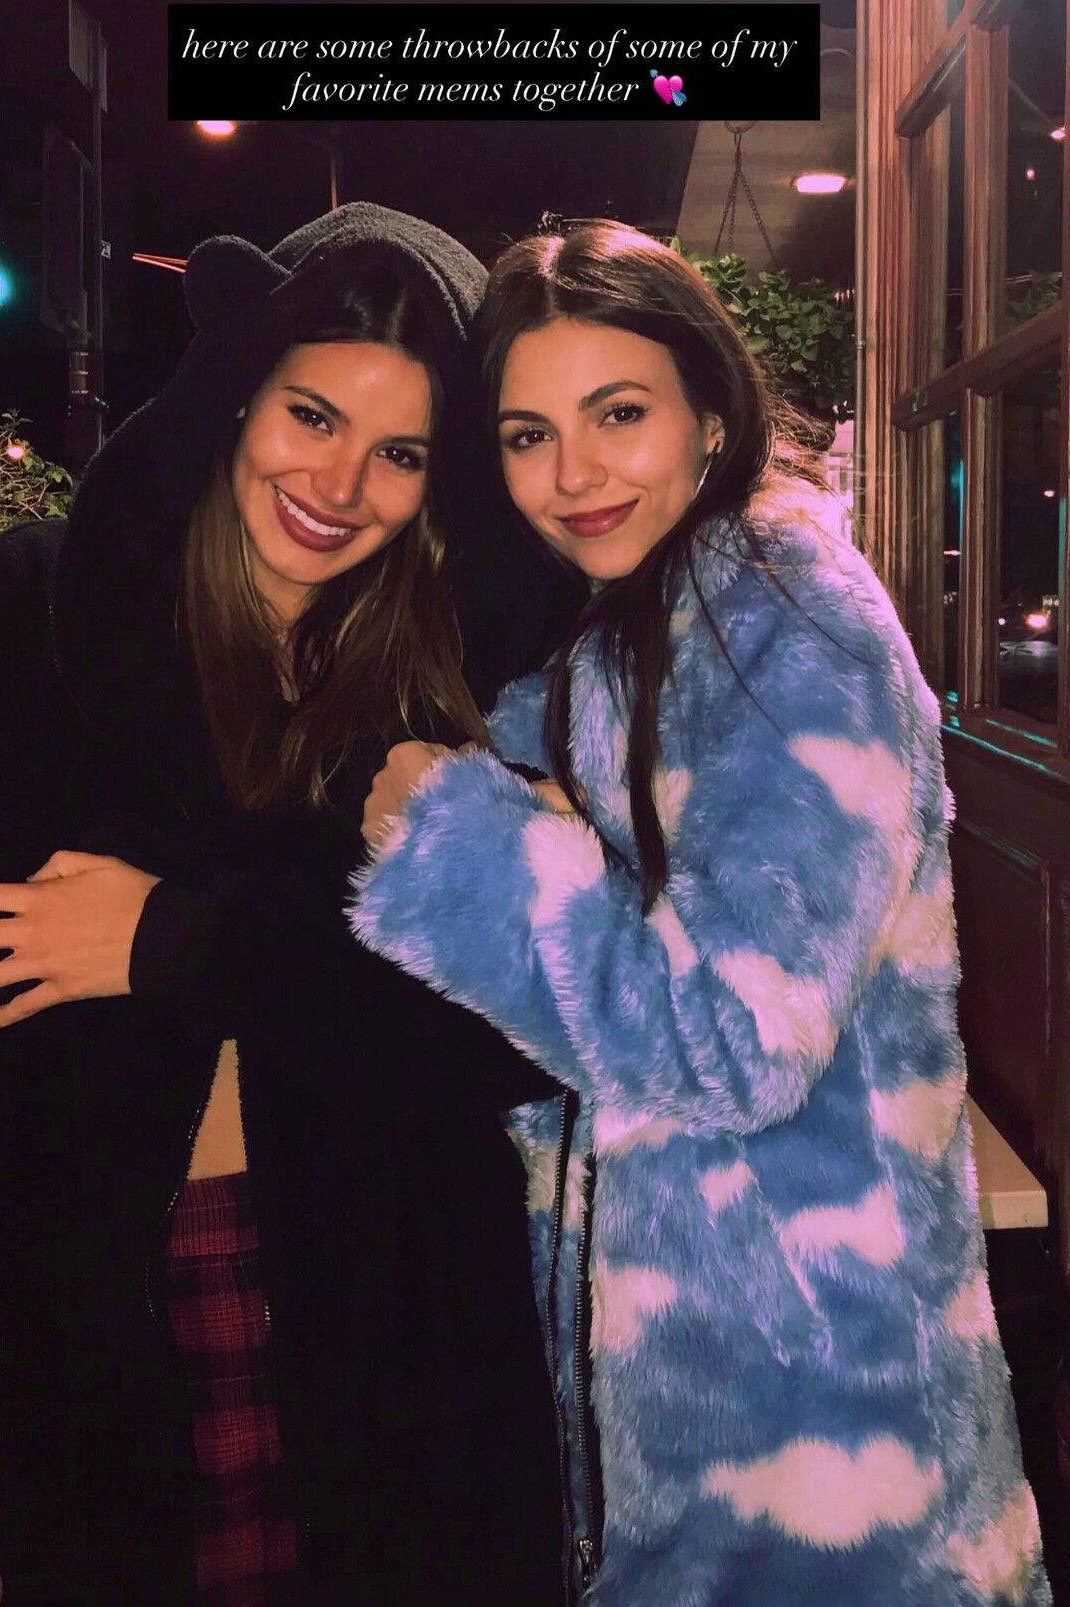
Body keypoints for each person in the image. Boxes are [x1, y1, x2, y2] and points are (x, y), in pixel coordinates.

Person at [352, 221, 1051, 1606]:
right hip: (714, 1381)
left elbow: (734, 1041)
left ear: (710, 415)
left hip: (824, 1422)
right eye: (529, 434)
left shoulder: (788, 616)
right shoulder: (630, 633)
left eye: (619, 413)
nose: (575, 474)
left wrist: (461, 845)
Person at [0, 203, 571, 1607]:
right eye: (312, 414)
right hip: (88, 1325)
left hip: (397, 1333)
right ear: (237, 398)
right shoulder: (39, 616)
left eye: (400, 453)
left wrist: (172, 941)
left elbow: (520, 1025)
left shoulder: (463, 689)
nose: (340, 482)